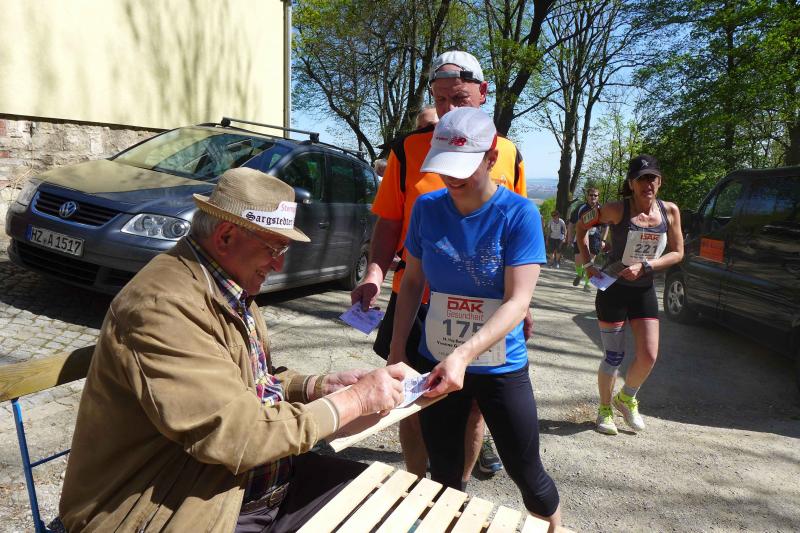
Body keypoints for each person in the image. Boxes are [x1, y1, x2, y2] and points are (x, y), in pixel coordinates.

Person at [59, 168, 406, 532]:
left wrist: (316, 388)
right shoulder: (163, 306)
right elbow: (237, 435)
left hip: (248, 487)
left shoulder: (230, 286)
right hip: (178, 507)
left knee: (388, 504)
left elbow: (250, 385)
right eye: (274, 248)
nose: (279, 264)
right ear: (225, 236)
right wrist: (354, 402)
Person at [352, 50, 530, 482]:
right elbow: (389, 220)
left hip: (483, 307)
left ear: (483, 93)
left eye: (460, 98)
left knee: (472, 407)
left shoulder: (506, 152)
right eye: (441, 99)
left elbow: (520, 245)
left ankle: (457, 491)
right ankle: (416, 487)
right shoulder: (408, 149)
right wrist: (374, 271)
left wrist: (524, 305)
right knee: (410, 399)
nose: (449, 109)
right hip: (417, 299)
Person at [389, 107, 561, 530]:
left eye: (463, 166)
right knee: (444, 473)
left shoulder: (519, 215)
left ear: (491, 157)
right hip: (437, 358)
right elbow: (412, 282)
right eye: (444, 166)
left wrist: (464, 355)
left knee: (528, 475)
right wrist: (397, 350)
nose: (452, 177)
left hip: (499, 365)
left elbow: (517, 301)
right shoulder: (427, 208)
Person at [576, 154, 683, 435]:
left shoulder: (670, 211)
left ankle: (626, 398)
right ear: (631, 183)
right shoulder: (615, 209)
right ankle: (604, 409)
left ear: (660, 181)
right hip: (613, 289)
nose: (648, 183)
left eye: (652, 178)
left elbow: (677, 252)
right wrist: (587, 264)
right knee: (614, 355)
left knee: (648, 355)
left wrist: (646, 266)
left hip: (643, 289)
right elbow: (581, 227)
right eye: (641, 178)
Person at [567, 187, 607, 289]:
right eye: (591, 195)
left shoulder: (601, 209)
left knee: (590, 262)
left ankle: (587, 284)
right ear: (587, 196)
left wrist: (603, 240)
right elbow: (571, 223)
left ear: (598, 197)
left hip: (594, 236)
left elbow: (606, 226)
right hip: (581, 235)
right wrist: (570, 237)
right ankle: (580, 274)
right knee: (578, 261)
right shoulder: (581, 208)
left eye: (595, 195)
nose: (593, 197)